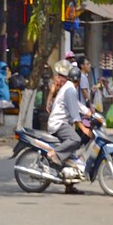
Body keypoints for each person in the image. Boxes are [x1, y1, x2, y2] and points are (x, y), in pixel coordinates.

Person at [46, 60, 91, 195]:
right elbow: (74, 114)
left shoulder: (69, 88)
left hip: (62, 123)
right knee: (76, 139)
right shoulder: (70, 89)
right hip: (58, 124)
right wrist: (84, 129)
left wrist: (90, 113)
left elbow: (77, 105)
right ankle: (54, 154)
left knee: (72, 157)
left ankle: (69, 186)